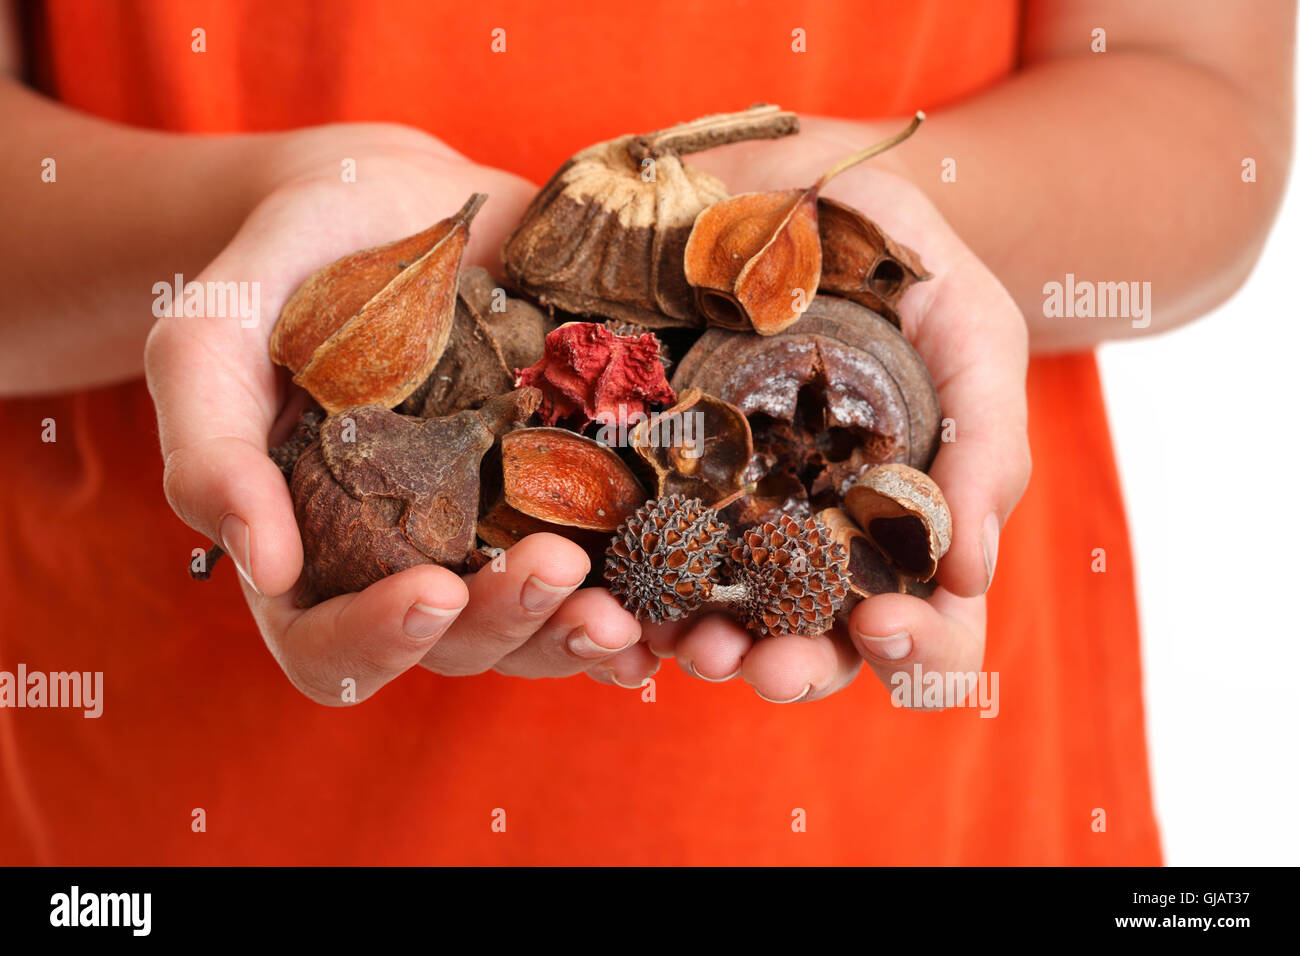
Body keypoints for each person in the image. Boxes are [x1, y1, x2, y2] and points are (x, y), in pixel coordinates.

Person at [0, 0, 1291, 865]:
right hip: (173, 795)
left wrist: (865, 213)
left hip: (917, 811)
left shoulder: (776, 404)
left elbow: (1207, 109)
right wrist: (241, 223)